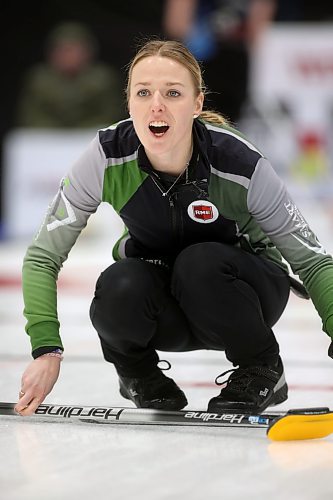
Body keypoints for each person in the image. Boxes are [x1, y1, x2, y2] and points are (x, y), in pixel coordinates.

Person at [15, 39, 333, 417]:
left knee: (200, 262)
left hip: (246, 298)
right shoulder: (105, 156)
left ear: (197, 104)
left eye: (173, 93)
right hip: (166, 304)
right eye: (143, 92)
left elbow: (312, 262)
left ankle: (260, 366)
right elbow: (42, 256)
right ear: (129, 101)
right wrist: (46, 349)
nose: (157, 105)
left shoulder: (240, 162)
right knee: (118, 284)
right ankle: (139, 373)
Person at [163, 0, 277, 125]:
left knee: (227, 120)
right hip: (202, 55)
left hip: (234, 56)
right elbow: (177, 23)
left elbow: (261, 11)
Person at [15, 21, 125, 128]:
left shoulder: (102, 78)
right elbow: (30, 114)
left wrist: (79, 130)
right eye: (63, 50)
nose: (68, 56)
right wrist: (57, 131)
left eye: (74, 50)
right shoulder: (39, 79)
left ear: (87, 53)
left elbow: (111, 114)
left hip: (89, 134)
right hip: (48, 136)